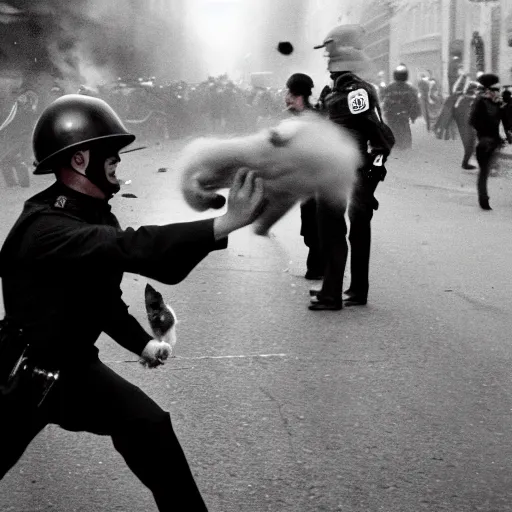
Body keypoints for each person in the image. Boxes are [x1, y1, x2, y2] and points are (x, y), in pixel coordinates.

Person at [0, 94, 265, 511]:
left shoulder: (93, 214)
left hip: (73, 370)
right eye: (111, 154)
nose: (118, 164)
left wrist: (142, 344)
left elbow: (101, 299)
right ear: (81, 160)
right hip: (20, 376)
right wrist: (224, 223)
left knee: (149, 426)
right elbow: (134, 246)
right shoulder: (46, 225)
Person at [310, 24, 394, 310]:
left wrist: (372, 175)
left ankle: (358, 290)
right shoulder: (332, 90)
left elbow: (381, 140)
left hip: (358, 171)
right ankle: (337, 287)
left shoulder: (357, 92)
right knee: (336, 229)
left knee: (358, 229)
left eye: (330, 51)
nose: (327, 59)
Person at [283, 72, 325, 280]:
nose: (286, 98)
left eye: (288, 93)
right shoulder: (305, 117)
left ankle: (318, 268)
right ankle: (317, 267)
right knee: (311, 226)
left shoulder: (311, 119)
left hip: (317, 183)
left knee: (314, 226)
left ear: (296, 94)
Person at [469, 73, 510, 210]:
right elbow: (507, 122)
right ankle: (485, 199)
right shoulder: (496, 102)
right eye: (496, 88)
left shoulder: (483, 101)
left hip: (486, 141)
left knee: (484, 171)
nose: (498, 90)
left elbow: (472, 121)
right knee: (487, 169)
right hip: (491, 140)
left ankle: (483, 198)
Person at [380, 64, 421, 150]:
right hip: (403, 115)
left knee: (392, 130)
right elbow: (414, 104)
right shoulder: (410, 89)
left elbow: (385, 101)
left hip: (391, 115)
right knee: (405, 132)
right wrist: (413, 116)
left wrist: (386, 112)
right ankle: (404, 147)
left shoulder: (389, 88)